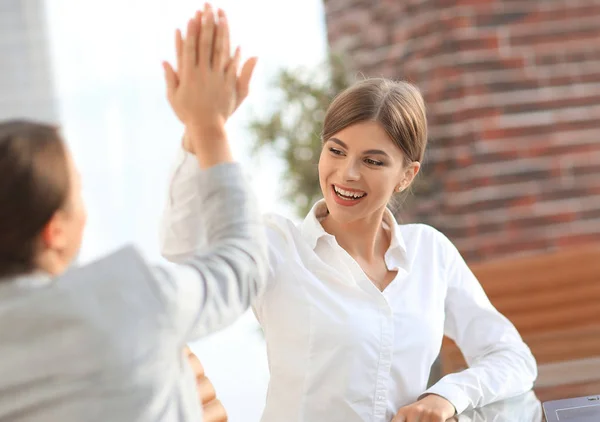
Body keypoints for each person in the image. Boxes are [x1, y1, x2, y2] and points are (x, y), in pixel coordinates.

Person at [160, 7, 537, 422]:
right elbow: (183, 257)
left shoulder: (431, 252)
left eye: (373, 161)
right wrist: (200, 129)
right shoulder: (275, 245)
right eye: (336, 150)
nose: (347, 173)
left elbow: (511, 357)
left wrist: (447, 396)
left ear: (406, 176)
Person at [0, 8, 265, 422]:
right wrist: (208, 124)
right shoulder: (126, 299)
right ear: (54, 231)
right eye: (79, 191)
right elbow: (239, 265)